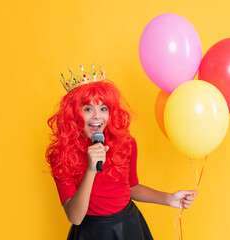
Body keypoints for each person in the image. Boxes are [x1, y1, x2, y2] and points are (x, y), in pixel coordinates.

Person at [46, 65, 196, 240]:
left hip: (128, 227)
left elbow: (131, 188)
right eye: (87, 109)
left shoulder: (126, 144)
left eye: (103, 108)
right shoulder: (61, 154)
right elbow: (75, 217)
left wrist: (169, 199)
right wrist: (91, 170)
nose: (96, 116)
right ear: (74, 114)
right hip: (91, 232)